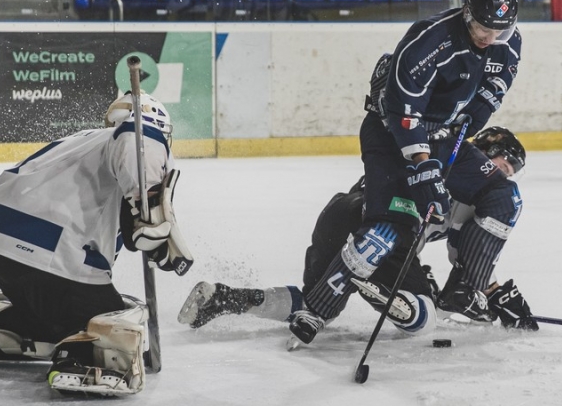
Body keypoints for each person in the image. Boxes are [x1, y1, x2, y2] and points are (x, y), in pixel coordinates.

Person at [0, 91, 193, 396]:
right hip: (46, 247)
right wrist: (147, 198)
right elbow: (139, 138)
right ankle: (79, 358)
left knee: (66, 307)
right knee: (111, 315)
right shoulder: (138, 137)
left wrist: (155, 232)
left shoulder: (87, 141)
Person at [178, 127, 539, 337]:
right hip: (385, 234)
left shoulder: (435, 154)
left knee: (316, 303)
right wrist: (488, 292)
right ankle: (384, 289)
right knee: (423, 315)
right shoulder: (474, 182)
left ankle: (226, 298)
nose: (503, 176)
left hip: (340, 214)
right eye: (503, 166)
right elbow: (467, 257)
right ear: (485, 153)